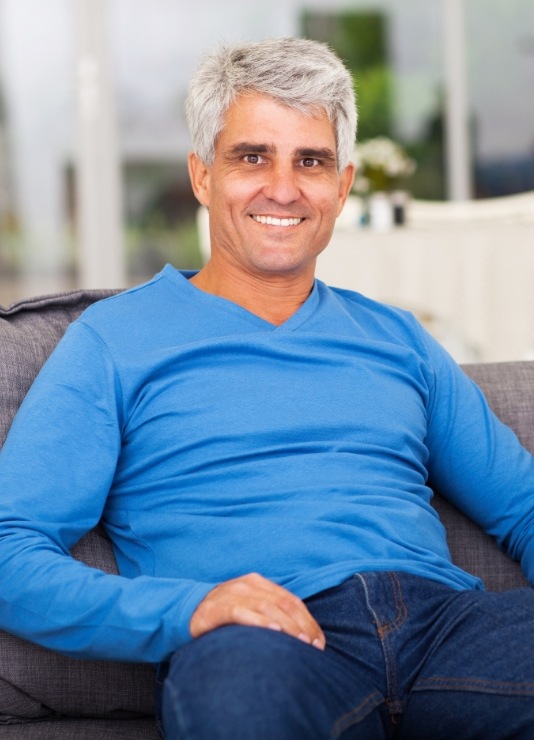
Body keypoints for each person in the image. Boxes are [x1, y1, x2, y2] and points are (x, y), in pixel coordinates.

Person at [0, 36, 533, 740]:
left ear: (341, 187)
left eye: (310, 161)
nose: (283, 188)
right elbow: (10, 545)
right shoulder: (113, 339)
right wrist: (189, 610)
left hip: (451, 631)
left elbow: (522, 506)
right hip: (265, 646)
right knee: (239, 704)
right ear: (202, 176)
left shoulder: (397, 337)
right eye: (252, 157)